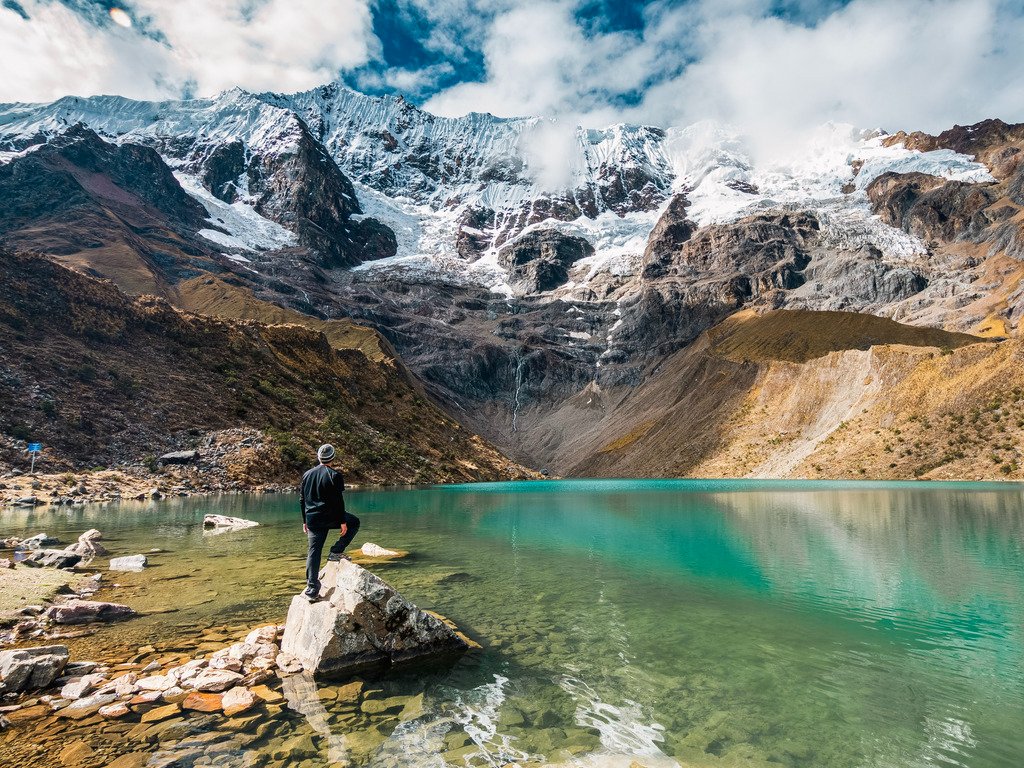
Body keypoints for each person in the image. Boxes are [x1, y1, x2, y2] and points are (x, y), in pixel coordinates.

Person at [299, 443, 360, 602]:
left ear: (319, 457)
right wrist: (342, 521)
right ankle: (336, 551)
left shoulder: (307, 474)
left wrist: (305, 521)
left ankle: (312, 590)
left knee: (314, 552)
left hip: (312, 519)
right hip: (330, 517)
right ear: (332, 458)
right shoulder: (335, 475)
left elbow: (302, 500)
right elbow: (338, 501)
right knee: (354, 522)